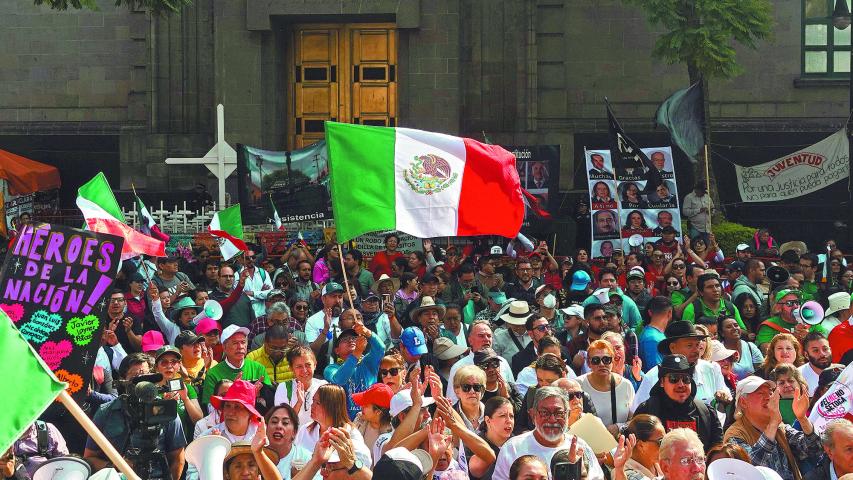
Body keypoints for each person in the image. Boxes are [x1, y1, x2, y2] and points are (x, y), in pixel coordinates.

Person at [83, 355, 187, 480]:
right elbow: (89, 458)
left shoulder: (165, 410)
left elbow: (178, 457)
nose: (142, 384)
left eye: (146, 377)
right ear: (123, 380)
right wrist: (117, 466)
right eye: (136, 378)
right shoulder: (106, 412)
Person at [492, 386, 605, 480]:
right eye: (545, 413)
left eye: (559, 413)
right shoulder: (513, 448)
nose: (552, 419)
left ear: (568, 415)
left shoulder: (580, 447)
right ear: (533, 415)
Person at [724, 376, 824, 480]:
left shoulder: (780, 427)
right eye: (761, 394)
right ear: (743, 402)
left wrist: (802, 418)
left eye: (770, 393)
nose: (768, 398)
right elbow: (751, 466)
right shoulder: (735, 434)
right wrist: (773, 424)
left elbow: (815, 448)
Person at [632, 321, 729, 411]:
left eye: (697, 345)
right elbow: (636, 411)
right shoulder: (654, 376)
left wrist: (724, 396)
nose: (696, 350)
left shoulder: (711, 369)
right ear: (673, 347)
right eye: (689, 345)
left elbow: (725, 393)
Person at [634, 355, 723, 451]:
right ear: (662, 382)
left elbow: (716, 451)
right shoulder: (646, 411)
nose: (681, 384)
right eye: (674, 379)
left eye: (686, 379)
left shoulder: (706, 413)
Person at [292, 384, 373, 480]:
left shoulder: (349, 436)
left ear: (332, 407)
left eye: (317, 403)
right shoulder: (305, 430)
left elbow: (363, 469)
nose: (312, 405)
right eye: (313, 401)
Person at [323, 318, 385, 419]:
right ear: (337, 350)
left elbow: (380, 349)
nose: (350, 340)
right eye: (344, 339)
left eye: (353, 338)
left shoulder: (368, 362)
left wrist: (366, 332)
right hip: (346, 425)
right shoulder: (331, 368)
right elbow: (339, 380)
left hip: (370, 422)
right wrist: (357, 353)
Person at [201, 325, 270, 406]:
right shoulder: (213, 374)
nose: (240, 347)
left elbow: (270, 400)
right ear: (224, 347)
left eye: (243, 342)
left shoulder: (258, 368)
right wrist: (235, 393)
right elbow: (210, 408)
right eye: (235, 343)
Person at [578, 339, 635, 434]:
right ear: (588, 363)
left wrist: (619, 427)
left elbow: (634, 420)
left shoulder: (626, 385)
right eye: (596, 360)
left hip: (618, 443)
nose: (601, 364)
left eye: (606, 360)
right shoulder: (578, 385)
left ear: (613, 361)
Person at [275, 346, 328, 427]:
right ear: (291, 368)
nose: (304, 370)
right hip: (293, 438)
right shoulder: (284, 387)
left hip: (317, 438)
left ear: (315, 365)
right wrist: (299, 403)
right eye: (299, 366)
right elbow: (282, 423)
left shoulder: (323, 386)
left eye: (308, 365)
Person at [681, 273, 745, 330]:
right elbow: (686, 334)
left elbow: (743, 330)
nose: (715, 290)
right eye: (710, 287)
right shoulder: (691, 309)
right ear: (701, 292)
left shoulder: (730, 307)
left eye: (717, 286)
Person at [619, 414, 666, 480]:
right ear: (640, 445)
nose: (665, 446)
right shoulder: (626, 472)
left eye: (666, 439)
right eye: (661, 441)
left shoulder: (659, 464)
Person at [717, 316, 764, 380]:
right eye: (729, 327)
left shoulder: (750, 346)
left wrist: (754, 376)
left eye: (736, 325)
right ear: (722, 333)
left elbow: (761, 371)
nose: (734, 328)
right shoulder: (718, 350)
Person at [639, 296, 673, 371]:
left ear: (650, 312)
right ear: (670, 313)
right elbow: (655, 371)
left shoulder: (653, 334)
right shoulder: (652, 338)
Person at [798, 332, 833, 396]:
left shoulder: (842, 372)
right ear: (806, 355)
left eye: (825, 349)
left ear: (830, 350)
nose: (822, 354)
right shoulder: (797, 376)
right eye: (816, 350)